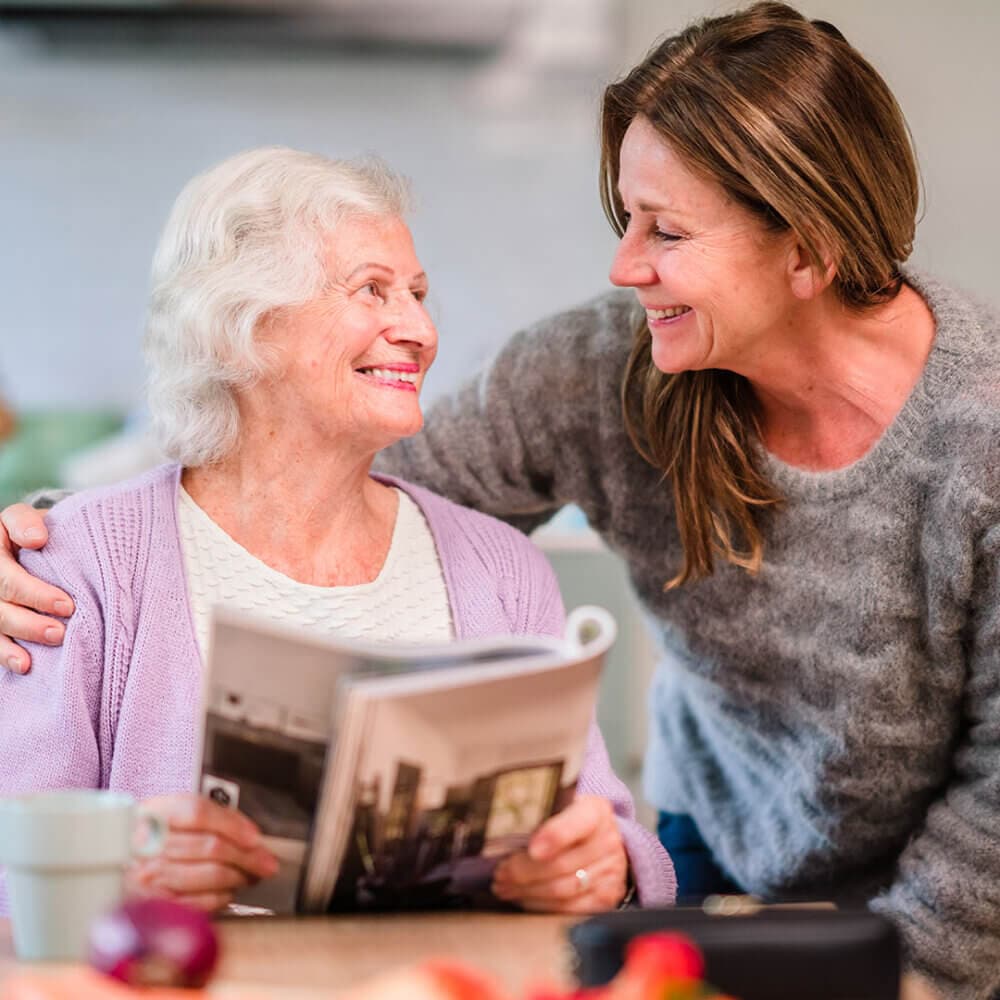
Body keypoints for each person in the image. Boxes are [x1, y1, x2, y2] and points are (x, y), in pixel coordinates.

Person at [0, 3, 997, 996]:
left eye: (667, 230)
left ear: (805, 248)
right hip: (720, 849)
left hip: (956, 893)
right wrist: (50, 544)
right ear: (241, 327)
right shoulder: (598, 372)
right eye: (626, 220)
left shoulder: (979, 428)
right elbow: (321, 494)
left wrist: (906, 981)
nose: (622, 266)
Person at [0, 147, 674, 917]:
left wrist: (598, 866)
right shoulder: (78, 564)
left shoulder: (501, 567)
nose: (419, 329)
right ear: (237, 328)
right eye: (373, 291)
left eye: (419, 294)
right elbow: (11, 860)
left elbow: (610, 836)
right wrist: (116, 871)